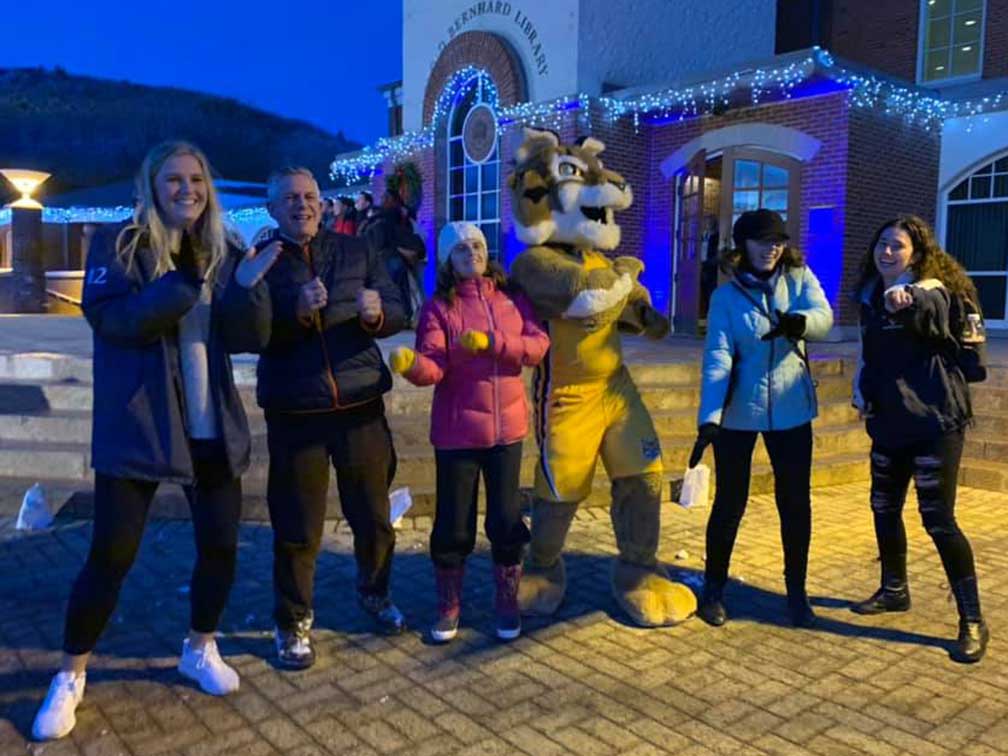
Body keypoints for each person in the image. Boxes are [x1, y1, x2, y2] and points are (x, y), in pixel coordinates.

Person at [31, 141, 279, 741]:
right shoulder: (120, 244)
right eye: (174, 179)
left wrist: (247, 288)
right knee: (112, 554)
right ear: (151, 186)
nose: (187, 189)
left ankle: (200, 646)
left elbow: (250, 338)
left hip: (209, 422)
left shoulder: (222, 248)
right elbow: (115, 320)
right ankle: (71, 672)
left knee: (220, 547)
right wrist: (184, 282)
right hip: (140, 425)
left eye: (196, 179)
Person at [232, 167, 406, 670]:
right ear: (272, 208)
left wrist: (378, 315)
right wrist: (294, 311)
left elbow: (396, 305)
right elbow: (247, 333)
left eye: (309, 196)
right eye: (290, 197)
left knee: (373, 518)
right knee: (297, 526)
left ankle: (375, 593)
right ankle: (292, 621)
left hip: (360, 406)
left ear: (322, 203)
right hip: (295, 411)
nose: (302, 205)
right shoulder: (260, 261)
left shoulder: (355, 250)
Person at [388, 222, 548, 642]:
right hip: (458, 432)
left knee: (506, 520)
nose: (471, 254)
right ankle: (449, 605)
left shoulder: (513, 298)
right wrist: (412, 365)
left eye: (476, 246)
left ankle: (506, 601)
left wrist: (493, 342)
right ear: (447, 260)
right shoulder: (440, 307)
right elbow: (433, 365)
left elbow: (537, 346)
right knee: (454, 526)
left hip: (507, 432)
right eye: (461, 250)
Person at [849, 215, 988, 663]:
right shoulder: (871, 298)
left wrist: (907, 295)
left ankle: (972, 620)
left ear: (916, 255)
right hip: (889, 422)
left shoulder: (929, 291)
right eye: (882, 243)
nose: (887, 252)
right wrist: (862, 389)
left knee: (939, 520)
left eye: (898, 246)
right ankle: (894, 590)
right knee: (883, 509)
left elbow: (928, 302)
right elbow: (871, 354)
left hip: (935, 424)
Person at [690, 208, 833, 628]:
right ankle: (713, 588)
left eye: (777, 240)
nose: (771, 247)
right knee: (730, 501)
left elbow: (823, 318)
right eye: (761, 240)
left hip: (791, 408)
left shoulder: (799, 278)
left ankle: (796, 593)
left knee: (795, 503)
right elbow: (717, 357)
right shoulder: (726, 297)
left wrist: (800, 322)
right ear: (743, 244)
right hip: (740, 410)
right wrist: (708, 418)